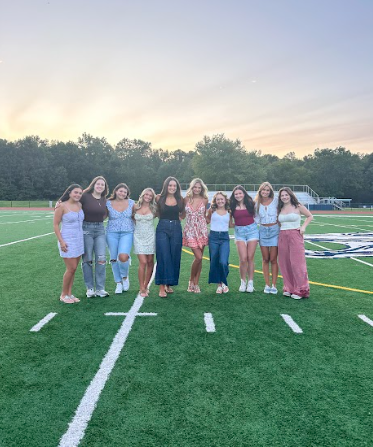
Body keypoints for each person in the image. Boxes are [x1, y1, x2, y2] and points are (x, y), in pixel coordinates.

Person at [277, 187, 313, 299]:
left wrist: (303, 227)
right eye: (282, 195)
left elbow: (310, 216)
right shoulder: (280, 208)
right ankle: (289, 288)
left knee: (297, 263)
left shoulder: (297, 206)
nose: (284, 197)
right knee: (284, 263)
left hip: (295, 235)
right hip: (283, 236)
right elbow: (279, 222)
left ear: (290, 195)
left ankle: (301, 290)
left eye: (286, 195)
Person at [53, 184, 84, 304]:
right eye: (75, 192)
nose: (78, 195)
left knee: (74, 269)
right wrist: (61, 241)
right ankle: (63, 294)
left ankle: (69, 293)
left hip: (79, 239)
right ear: (69, 192)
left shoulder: (80, 204)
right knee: (70, 268)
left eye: (80, 193)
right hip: (67, 240)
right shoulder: (61, 206)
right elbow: (56, 225)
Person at [155, 176, 185, 298]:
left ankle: (169, 283)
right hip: (162, 227)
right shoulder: (159, 198)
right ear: (166, 186)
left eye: (174, 186)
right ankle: (161, 287)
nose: (172, 188)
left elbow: (183, 212)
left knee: (174, 256)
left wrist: (181, 218)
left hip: (177, 228)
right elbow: (156, 211)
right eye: (170, 185)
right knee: (163, 255)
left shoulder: (180, 199)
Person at [80, 176, 110, 298]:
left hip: (100, 229)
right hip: (86, 229)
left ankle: (100, 288)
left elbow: (106, 213)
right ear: (93, 184)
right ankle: (90, 288)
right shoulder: (85, 196)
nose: (100, 186)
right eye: (98, 184)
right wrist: (60, 201)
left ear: (105, 187)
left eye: (102, 185)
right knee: (87, 260)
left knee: (101, 259)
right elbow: (71, 197)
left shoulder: (104, 199)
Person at [106, 183, 134, 294]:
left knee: (123, 256)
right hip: (111, 233)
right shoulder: (108, 203)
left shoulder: (131, 203)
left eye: (124, 192)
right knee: (113, 258)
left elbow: (139, 213)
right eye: (120, 191)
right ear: (116, 191)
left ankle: (124, 277)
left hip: (127, 233)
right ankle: (118, 283)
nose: (122, 193)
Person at [230, 185, 259, 293]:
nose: (238, 195)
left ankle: (250, 282)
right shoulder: (231, 206)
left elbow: (257, 217)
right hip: (239, 233)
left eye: (240, 193)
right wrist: (238, 225)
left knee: (250, 258)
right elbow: (230, 223)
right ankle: (243, 281)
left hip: (252, 231)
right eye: (236, 194)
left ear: (244, 194)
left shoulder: (251, 204)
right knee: (243, 258)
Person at [183, 178, 209, 293]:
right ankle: (190, 281)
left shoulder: (205, 200)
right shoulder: (186, 199)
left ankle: (196, 284)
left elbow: (204, 216)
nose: (197, 189)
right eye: (195, 187)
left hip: (201, 230)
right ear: (191, 187)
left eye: (199, 187)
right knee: (198, 257)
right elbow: (182, 214)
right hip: (190, 230)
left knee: (200, 259)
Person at [254, 182, 280, 294]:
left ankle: (274, 285)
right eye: (263, 190)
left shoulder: (276, 201)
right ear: (260, 191)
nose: (265, 192)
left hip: (275, 230)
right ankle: (267, 284)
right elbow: (255, 219)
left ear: (270, 191)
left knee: (273, 259)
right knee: (265, 259)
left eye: (267, 190)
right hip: (263, 231)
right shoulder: (256, 203)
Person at [206, 192, 232, 293]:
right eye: (218, 199)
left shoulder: (229, 211)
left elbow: (231, 224)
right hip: (213, 237)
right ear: (215, 201)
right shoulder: (212, 210)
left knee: (223, 261)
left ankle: (223, 281)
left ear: (225, 200)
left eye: (222, 199)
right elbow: (206, 221)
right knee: (215, 261)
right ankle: (220, 284)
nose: (220, 201)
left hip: (225, 238)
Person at [133, 188, 157, 297]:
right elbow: (132, 219)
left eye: (150, 195)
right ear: (142, 195)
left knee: (150, 261)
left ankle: (146, 285)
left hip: (150, 237)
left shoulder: (154, 208)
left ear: (152, 198)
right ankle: (141, 287)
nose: (147, 197)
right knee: (143, 262)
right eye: (146, 194)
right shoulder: (135, 207)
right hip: (138, 237)